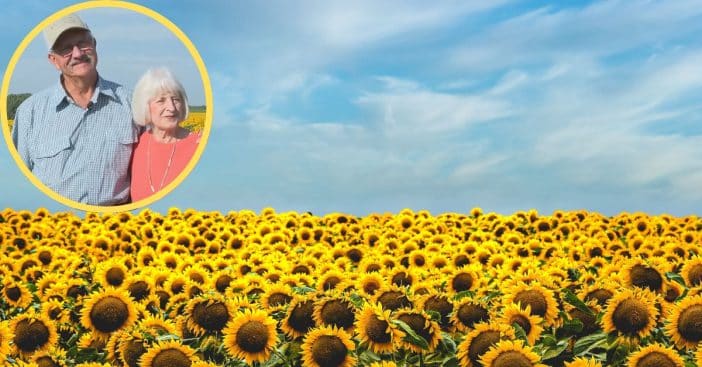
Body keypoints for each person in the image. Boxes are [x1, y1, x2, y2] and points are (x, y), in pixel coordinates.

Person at [11, 14, 138, 206]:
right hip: (49, 226)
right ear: (54, 60)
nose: (78, 54)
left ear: (94, 44)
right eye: (66, 49)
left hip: (114, 227)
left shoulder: (132, 104)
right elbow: (17, 181)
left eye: (83, 44)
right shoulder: (30, 112)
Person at [129, 68, 200, 202]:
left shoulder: (199, 145)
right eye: (161, 101)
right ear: (145, 106)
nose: (171, 108)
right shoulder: (136, 144)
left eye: (176, 99)